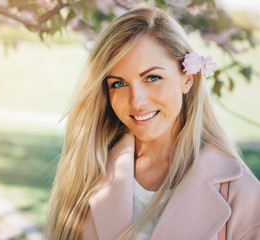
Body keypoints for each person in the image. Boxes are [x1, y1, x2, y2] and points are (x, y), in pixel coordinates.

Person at [45, 7, 260, 240]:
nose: (136, 101)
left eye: (152, 78)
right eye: (118, 83)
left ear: (187, 79)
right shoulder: (88, 175)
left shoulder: (241, 193)